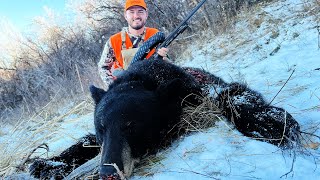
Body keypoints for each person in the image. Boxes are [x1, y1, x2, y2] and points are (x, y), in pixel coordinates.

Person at [98, 0, 169, 87]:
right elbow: (103, 68)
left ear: (146, 14)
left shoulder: (156, 35)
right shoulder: (114, 41)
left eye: (140, 11)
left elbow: (168, 63)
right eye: (131, 12)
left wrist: (164, 59)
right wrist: (115, 87)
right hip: (127, 90)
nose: (136, 16)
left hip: (153, 86)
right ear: (125, 15)